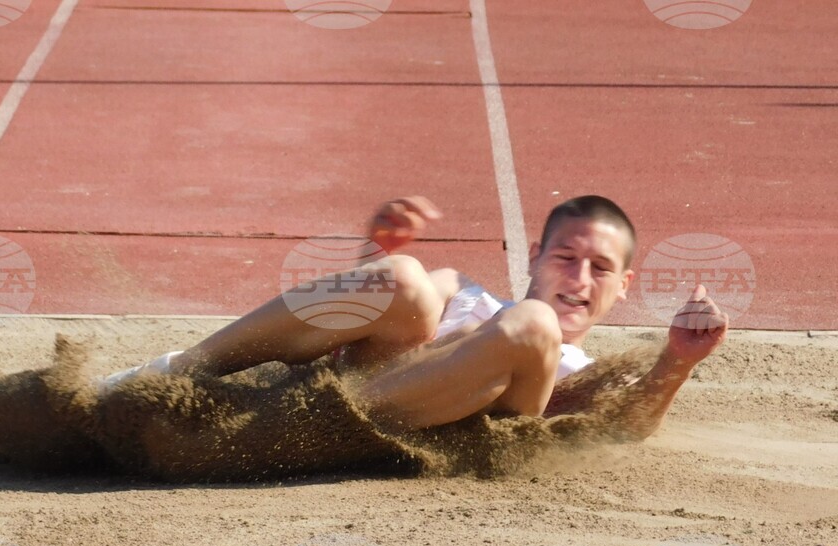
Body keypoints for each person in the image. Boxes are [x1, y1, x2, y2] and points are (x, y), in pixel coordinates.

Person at [103, 195, 729, 439]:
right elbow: (356, 329)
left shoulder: (577, 369)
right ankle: (174, 372)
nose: (579, 279)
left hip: (423, 434)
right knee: (406, 278)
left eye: (600, 268)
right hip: (349, 389)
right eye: (566, 257)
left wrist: (678, 360)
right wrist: (372, 255)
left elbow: (618, 433)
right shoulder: (465, 291)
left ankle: (306, 428)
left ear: (624, 287)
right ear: (534, 255)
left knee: (533, 324)